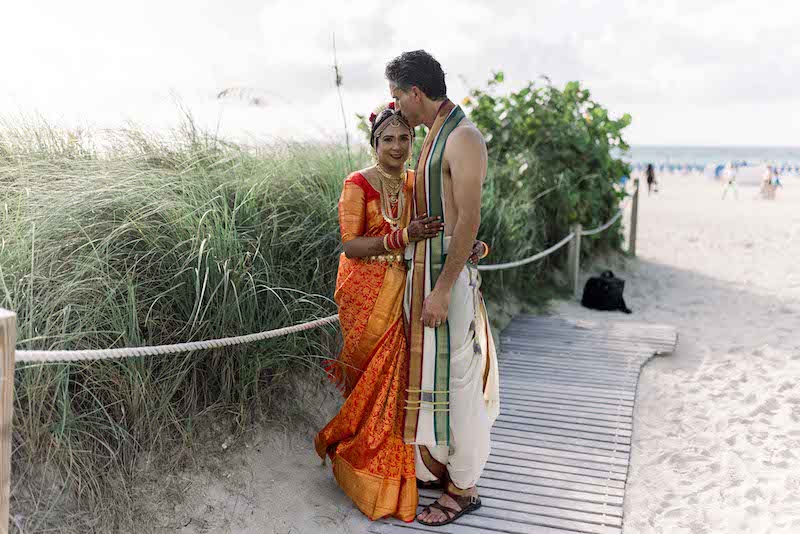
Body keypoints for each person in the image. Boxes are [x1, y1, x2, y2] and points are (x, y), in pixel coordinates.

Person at [386, 50, 500, 527]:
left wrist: (443, 287)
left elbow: (469, 216)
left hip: (444, 280)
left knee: (460, 382)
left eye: (397, 96)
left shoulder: (464, 137)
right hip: (430, 271)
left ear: (416, 92)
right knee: (434, 378)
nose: (394, 106)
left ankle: (465, 488)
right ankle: (442, 467)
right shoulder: (435, 135)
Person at [314, 104, 444, 522]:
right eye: (388, 139)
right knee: (372, 380)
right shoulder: (358, 183)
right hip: (364, 293)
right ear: (375, 144)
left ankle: (388, 476)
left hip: (403, 292)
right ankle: (358, 462)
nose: (397, 146)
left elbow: (440, 226)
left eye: (405, 138)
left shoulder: (414, 182)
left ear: (413, 141)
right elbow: (350, 245)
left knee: (394, 382)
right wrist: (402, 236)